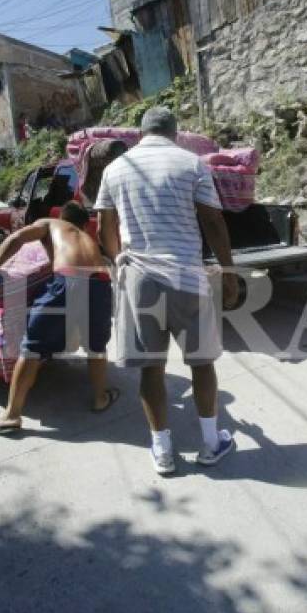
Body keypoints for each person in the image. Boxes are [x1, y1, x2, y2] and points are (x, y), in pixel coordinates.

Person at [95, 106, 240, 476]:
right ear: (175, 133)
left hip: (139, 278)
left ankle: (162, 451)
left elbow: (105, 230)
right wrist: (228, 272)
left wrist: (118, 264)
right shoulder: (192, 164)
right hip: (187, 277)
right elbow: (213, 221)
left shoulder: (115, 169)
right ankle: (211, 443)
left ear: (140, 133)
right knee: (201, 362)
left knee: (151, 368)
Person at [0, 202, 120, 434]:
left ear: (61, 216)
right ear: (84, 224)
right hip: (101, 285)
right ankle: (100, 398)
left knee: (32, 348)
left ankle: (11, 416)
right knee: (97, 346)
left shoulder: (50, 223)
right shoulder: (86, 237)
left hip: (67, 280)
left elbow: (17, 238)